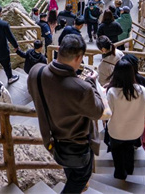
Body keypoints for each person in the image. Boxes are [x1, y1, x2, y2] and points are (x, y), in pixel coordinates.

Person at [27, 35, 105, 194]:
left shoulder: (36, 72)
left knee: (70, 171)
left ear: (58, 50)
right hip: (78, 146)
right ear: (79, 58)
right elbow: (98, 111)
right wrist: (91, 84)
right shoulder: (82, 89)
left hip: (53, 141)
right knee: (80, 178)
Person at [106, 59, 145, 180]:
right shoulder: (142, 91)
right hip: (134, 132)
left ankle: (120, 173)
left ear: (116, 74)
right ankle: (129, 169)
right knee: (129, 149)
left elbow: (107, 114)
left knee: (116, 152)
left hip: (115, 131)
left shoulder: (112, 92)